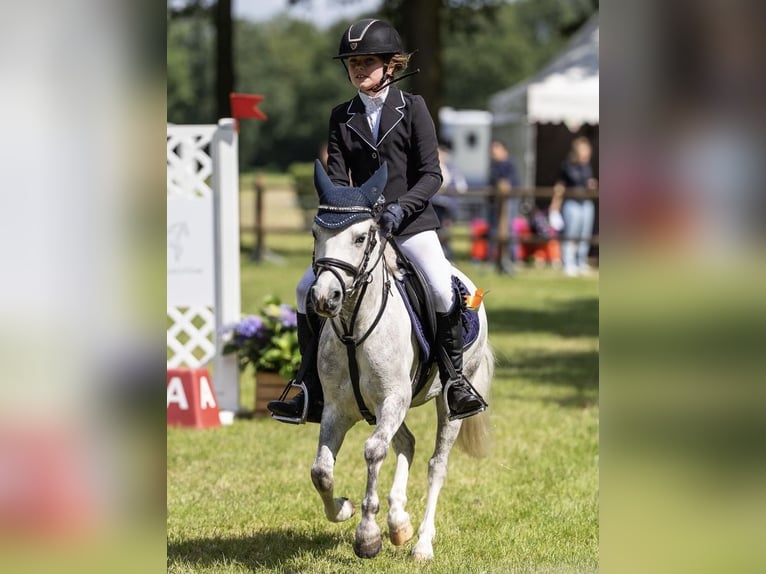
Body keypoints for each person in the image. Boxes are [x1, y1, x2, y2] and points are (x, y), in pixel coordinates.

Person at [267, 18, 487, 424]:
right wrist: (343, 210)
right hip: (360, 231)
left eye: (367, 61)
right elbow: (336, 179)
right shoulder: (341, 116)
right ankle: (308, 386)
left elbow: (431, 175)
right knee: (305, 290)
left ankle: (455, 381)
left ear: (391, 65)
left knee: (441, 288)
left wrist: (403, 207)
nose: (357, 68)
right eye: (351, 62)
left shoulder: (414, 108)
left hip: (412, 224)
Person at [550, 136, 598, 276]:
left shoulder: (587, 167)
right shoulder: (567, 166)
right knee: (570, 234)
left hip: (586, 203)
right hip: (572, 204)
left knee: (585, 234)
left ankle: (580, 262)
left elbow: (588, 183)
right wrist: (555, 206)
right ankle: (568, 263)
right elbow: (560, 186)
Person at [487, 139, 521, 273]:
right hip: (494, 203)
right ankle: (492, 259)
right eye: (492, 150)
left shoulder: (509, 165)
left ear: (504, 150)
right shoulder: (494, 166)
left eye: (496, 149)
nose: (493, 152)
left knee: (509, 231)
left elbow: (513, 184)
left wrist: (504, 187)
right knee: (494, 231)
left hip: (507, 203)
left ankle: (511, 259)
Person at [432, 144, 468, 261]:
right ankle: (440, 254)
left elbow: (462, 186)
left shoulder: (452, 169)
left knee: (445, 231)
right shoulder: (432, 167)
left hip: (447, 206)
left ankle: (448, 254)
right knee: (436, 231)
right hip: (434, 205)